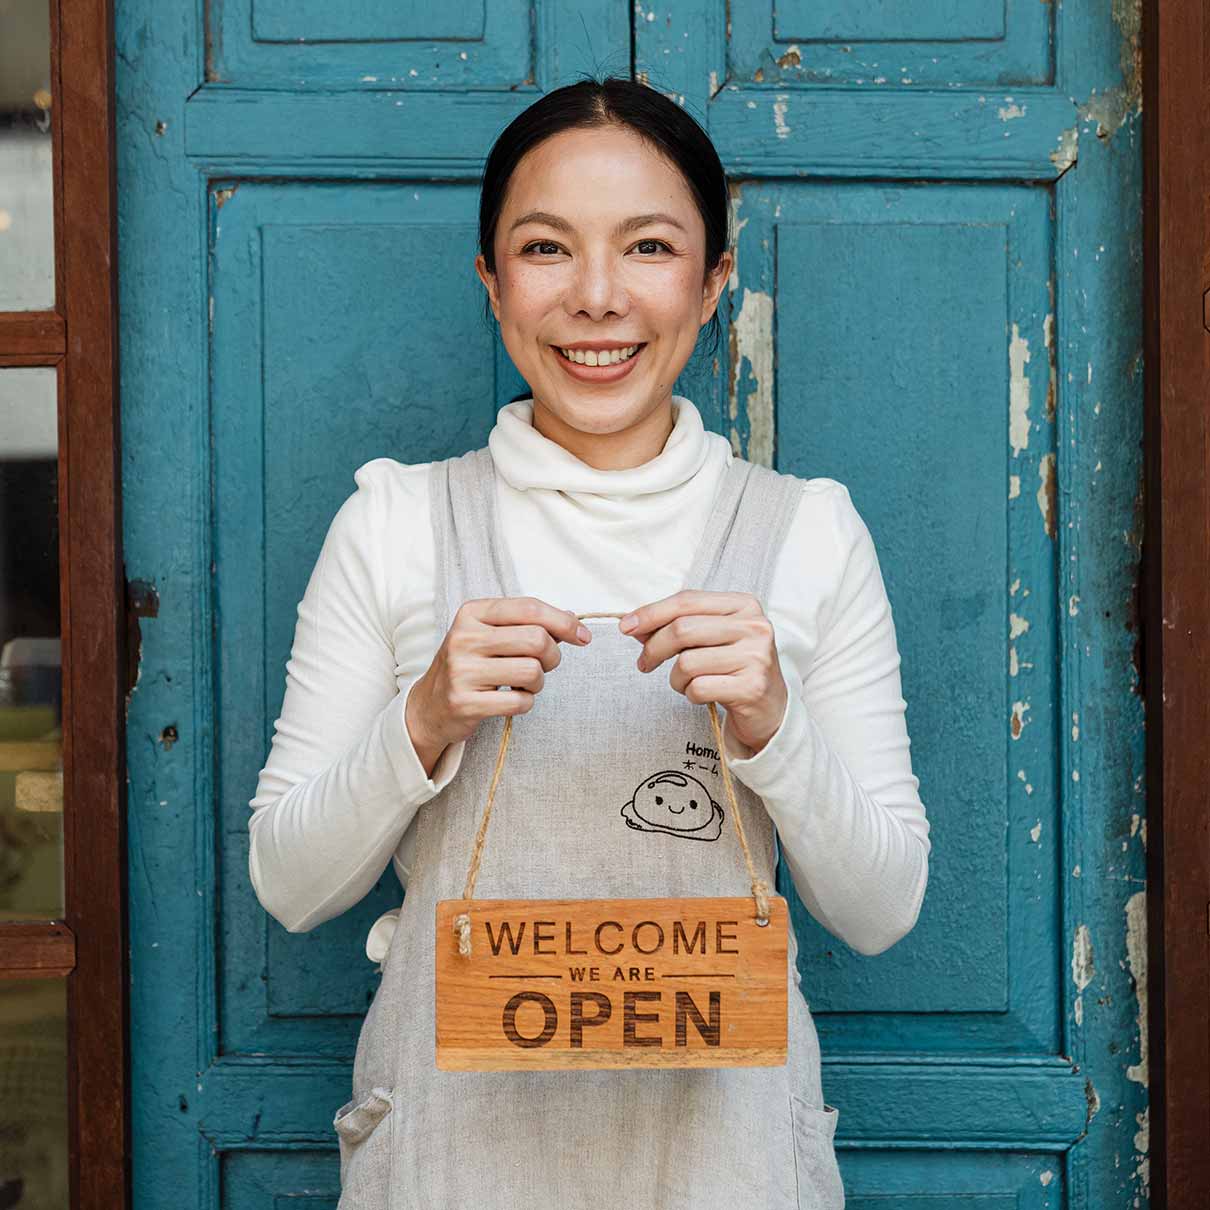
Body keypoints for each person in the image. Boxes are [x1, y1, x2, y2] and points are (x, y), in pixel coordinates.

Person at [247, 74, 931, 1209]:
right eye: (547, 249)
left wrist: (773, 725)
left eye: (651, 247)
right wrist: (421, 721)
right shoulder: (397, 523)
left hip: (728, 1163)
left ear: (713, 282)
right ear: (492, 281)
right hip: (454, 1162)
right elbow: (290, 884)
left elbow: (882, 906)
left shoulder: (806, 530)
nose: (598, 297)